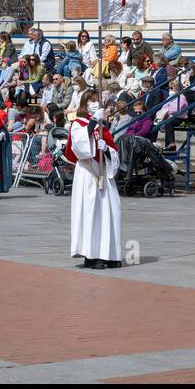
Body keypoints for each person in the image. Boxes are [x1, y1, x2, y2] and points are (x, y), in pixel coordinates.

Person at [68, 90, 122, 269]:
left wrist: (106, 149)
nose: (94, 104)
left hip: (103, 173)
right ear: (85, 104)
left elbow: (114, 152)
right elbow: (78, 146)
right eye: (91, 101)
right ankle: (92, 255)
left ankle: (110, 253)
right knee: (90, 212)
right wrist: (92, 122)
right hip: (87, 172)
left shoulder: (103, 127)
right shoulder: (78, 124)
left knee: (110, 211)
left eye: (97, 101)